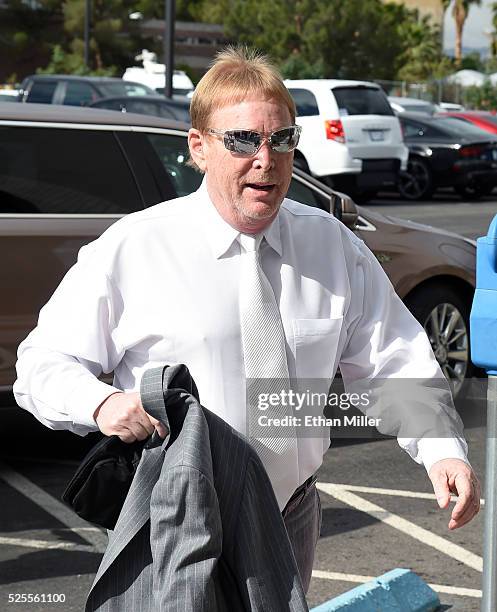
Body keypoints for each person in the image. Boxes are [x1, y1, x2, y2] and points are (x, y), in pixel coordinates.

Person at [14, 46, 480, 593]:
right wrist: (104, 403)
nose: (266, 159)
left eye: (282, 140)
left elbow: (392, 356)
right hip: (179, 515)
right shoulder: (134, 246)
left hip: (292, 513)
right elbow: (41, 365)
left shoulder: (329, 244)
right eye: (242, 140)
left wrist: (441, 448)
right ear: (199, 148)